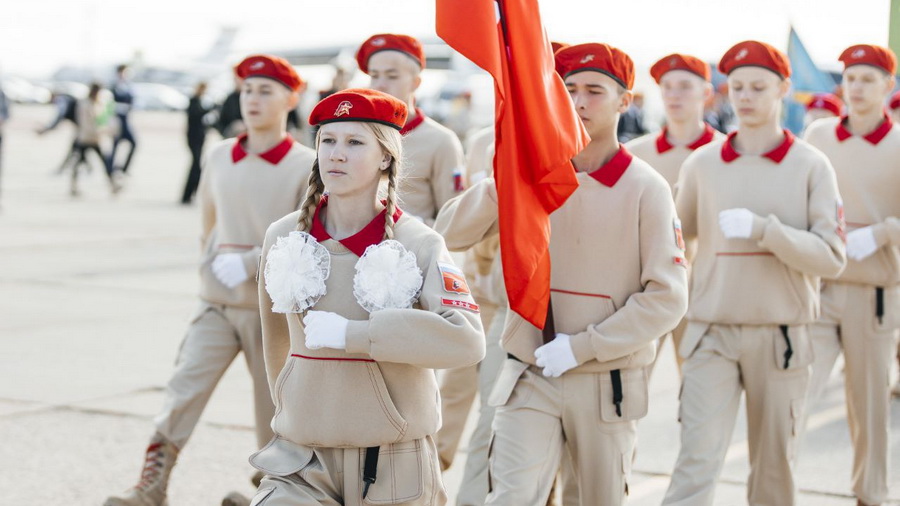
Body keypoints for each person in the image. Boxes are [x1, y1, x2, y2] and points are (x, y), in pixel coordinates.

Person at [438, 42, 689, 505]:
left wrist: (582, 347)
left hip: (603, 381)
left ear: (624, 101)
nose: (579, 101)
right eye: (569, 88)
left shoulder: (646, 188)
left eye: (595, 90)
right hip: (528, 372)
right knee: (510, 496)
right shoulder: (532, 177)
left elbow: (667, 298)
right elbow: (447, 233)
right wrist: (503, 184)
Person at [244, 88, 484, 505]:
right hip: (300, 457)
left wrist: (358, 335)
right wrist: (293, 404)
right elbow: (274, 341)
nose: (336, 154)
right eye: (328, 141)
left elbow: (466, 340)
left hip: (391, 462)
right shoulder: (283, 236)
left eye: (355, 143)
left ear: (386, 156)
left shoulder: (419, 242)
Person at [104, 55, 316, 506]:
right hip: (216, 303)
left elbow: (309, 243)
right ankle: (151, 486)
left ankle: (272, 492)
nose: (253, 99)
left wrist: (255, 262)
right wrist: (212, 270)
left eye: (266, 91)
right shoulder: (220, 155)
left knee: (276, 411)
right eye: (247, 90)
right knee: (184, 390)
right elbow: (209, 226)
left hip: (273, 312)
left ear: (291, 99)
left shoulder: (306, 165)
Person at [662, 41, 846, 506]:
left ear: (783, 89)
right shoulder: (702, 164)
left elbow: (831, 257)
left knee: (773, 471)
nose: (744, 96)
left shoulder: (811, 165)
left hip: (782, 336)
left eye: (757, 87)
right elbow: (673, 247)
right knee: (694, 464)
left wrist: (767, 231)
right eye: (737, 86)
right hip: (711, 335)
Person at [802, 44, 899, 506]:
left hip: (873, 293)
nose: (855, 87)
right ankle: (776, 490)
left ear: (888, 86)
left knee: (869, 405)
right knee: (794, 394)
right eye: (850, 77)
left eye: (867, 78)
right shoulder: (819, 136)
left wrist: (883, 232)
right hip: (819, 289)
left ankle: (871, 494)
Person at [626, 54, 723, 376]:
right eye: (666, 87)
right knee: (628, 389)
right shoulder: (635, 154)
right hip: (642, 290)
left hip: (705, 290)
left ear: (706, 93)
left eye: (684, 86)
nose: (674, 95)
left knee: (699, 392)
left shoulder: (727, 155)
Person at [357, 33, 466, 226]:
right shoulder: (355, 134)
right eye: (374, 75)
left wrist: (411, 230)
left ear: (415, 83)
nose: (380, 84)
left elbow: (453, 221)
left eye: (392, 76)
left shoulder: (441, 141)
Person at [70, 82, 118, 197]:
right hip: (85, 138)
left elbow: (103, 119)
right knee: (79, 163)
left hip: (97, 139)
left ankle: (113, 185)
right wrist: (102, 131)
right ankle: (74, 186)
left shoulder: (100, 103)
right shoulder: (84, 104)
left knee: (105, 163)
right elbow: (85, 123)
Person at [181, 81, 213, 204]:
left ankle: (190, 194)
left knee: (196, 166)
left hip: (200, 137)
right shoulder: (193, 101)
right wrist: (209, 109)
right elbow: (195, 115)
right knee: (196, 166)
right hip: (193, 137)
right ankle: (188, 194)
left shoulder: (200, 101)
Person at [109, 64, 138, 174]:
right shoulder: (114, 86)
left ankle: (124, 168)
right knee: (114, 146)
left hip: (125, 120)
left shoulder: (128, 86)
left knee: (134, 143)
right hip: (116, 120)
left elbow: (132, 102)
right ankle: (110, 168)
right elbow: (109, 104)